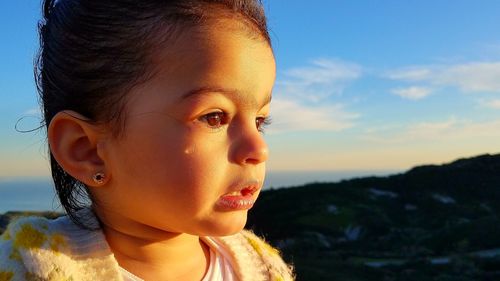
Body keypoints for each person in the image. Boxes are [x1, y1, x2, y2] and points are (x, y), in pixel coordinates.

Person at [0, 0, 294, 280]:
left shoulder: (265, 269)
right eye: (214, 117)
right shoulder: (28, 268)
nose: (259, 148)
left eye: (259, 121)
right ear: (87, 150)